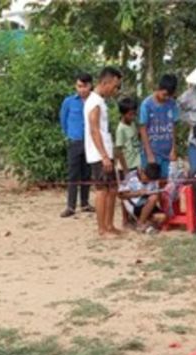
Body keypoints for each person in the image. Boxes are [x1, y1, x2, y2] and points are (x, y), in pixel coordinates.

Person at [84, 66, 123, 236]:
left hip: (106, 152)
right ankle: (102, 228)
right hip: (100, 155)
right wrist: (104, 156)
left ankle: (109, 225)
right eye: (115, 86)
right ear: (105, 82)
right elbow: (94, 130)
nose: (116, 90)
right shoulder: (94, 102)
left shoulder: (100, 101)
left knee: (112, 189)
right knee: (102, 190)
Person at [59, 72, 95, 217]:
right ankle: (71, 206)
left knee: (87, 173)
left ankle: (85, 203)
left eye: (84, 86)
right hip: (75, 142)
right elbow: (63, 120)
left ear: (90, 86)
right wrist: (70, 135)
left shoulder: (95, 101)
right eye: (79, 86)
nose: (81, 90)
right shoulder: (69, 102)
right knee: (73, 174)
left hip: (91, 142)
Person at [139, 74, 179, 180]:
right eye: (164, 94)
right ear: (158, 88)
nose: (166, 98)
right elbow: (143, 130)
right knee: (150, 183)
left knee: (165, 182)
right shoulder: (146, 105)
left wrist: (173, 149)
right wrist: (149, 154)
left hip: (167, 153)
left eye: (169, 96)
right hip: (152, 152)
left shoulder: (172, 104)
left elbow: (173, 127)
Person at [118, 163, 165, 233]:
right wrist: (137, 193)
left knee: (162, 217)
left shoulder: (154, 179)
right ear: (142, 171)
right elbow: (121, 196)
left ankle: (140, 222)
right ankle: (140, 223)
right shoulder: (131, 177)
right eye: (146, 178)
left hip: (148, 205)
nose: (147, 181)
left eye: (150, 180)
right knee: (153, 198)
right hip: (135, 205)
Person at [115, 97, 140, 175]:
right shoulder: (121, 129)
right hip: (128, 167)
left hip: (136, 164)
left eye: (134, 114)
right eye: (130, 114)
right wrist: (125, 170)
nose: (133, 117)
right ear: (123, 114)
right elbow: (118, 151)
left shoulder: (132, 123)